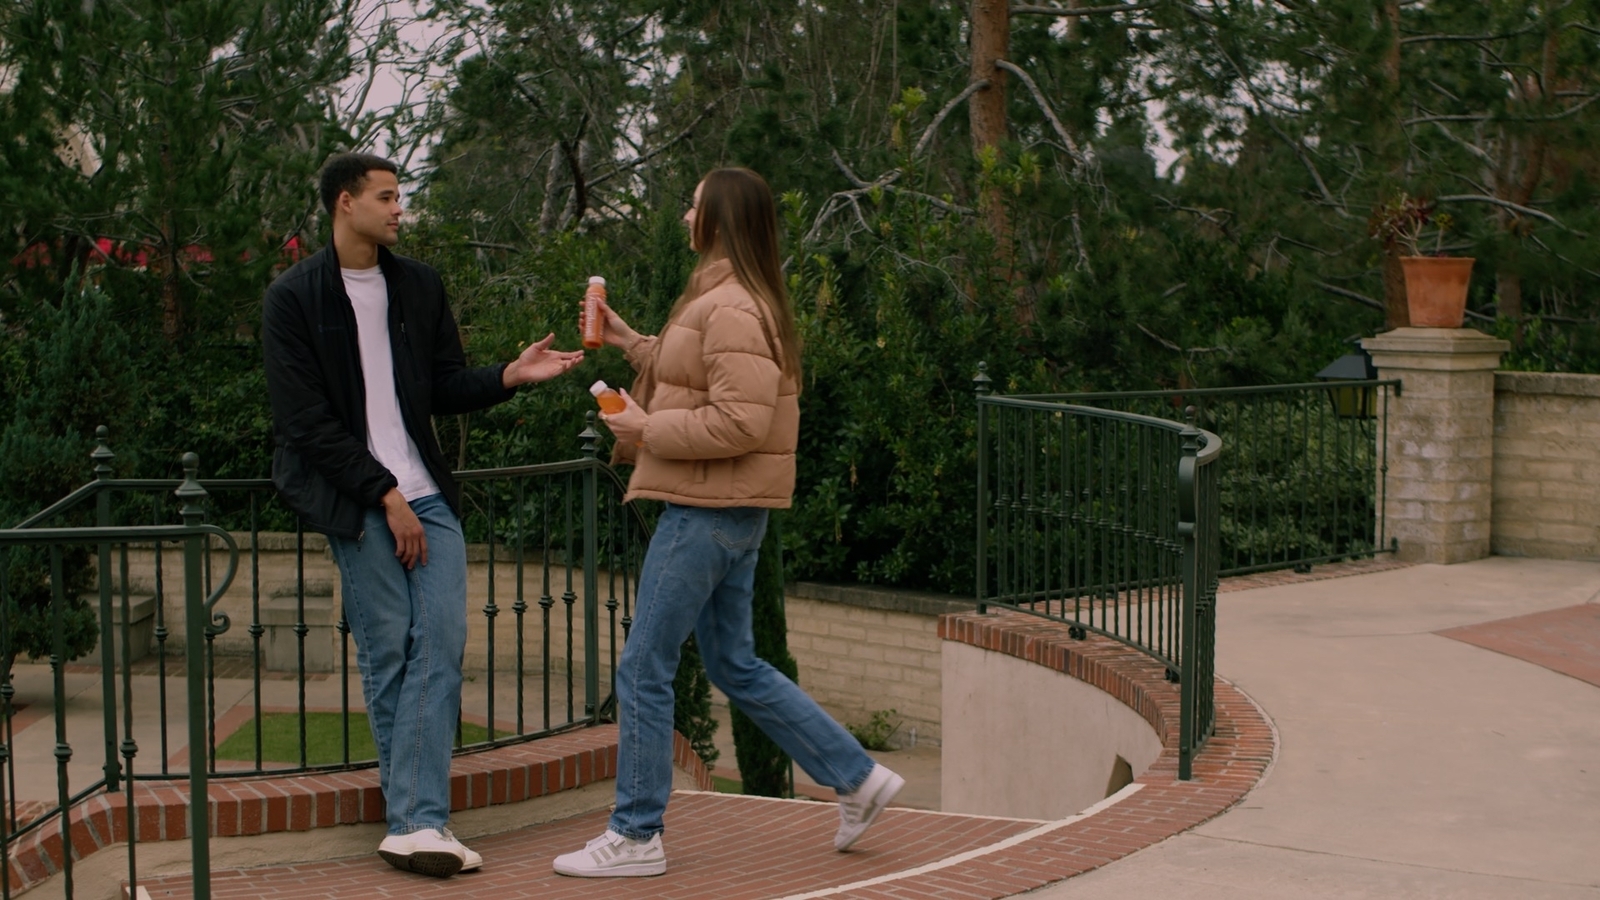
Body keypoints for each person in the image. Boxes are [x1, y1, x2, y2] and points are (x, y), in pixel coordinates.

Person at [552, 167, 903, 878]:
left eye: (693, 204)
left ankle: (636, 834)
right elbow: (696, 374)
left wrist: (649, 430)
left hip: (706, 513)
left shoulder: (734, 306)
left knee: (643, 663)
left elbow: (741, 419)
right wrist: (628, 342)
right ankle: (857, 777)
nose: (684, 215)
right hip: (731, 513)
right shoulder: (726, 299)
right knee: (735, 664)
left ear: (718, 220)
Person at [263, 152, 583, 878]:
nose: (398, 209)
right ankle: (418, 822)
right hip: (358, 499)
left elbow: (439, 387)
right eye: (386, 197)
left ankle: (413, 822)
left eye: (399, 197)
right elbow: (305, 423)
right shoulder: (294, 298)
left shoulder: (417, 287)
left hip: (425, 495)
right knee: (390, 654)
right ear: (345, 203)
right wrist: (383, 494)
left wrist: (510, 375)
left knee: (439, 640)